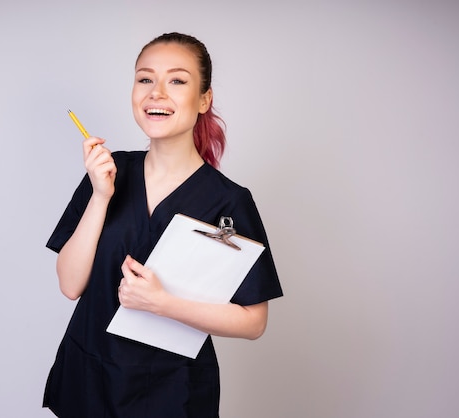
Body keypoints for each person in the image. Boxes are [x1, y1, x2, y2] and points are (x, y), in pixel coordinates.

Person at [43, 32, 283, 418]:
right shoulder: (109, 172)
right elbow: (70, 286)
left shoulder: (228, 201)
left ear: (204, 99)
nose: (156, 92)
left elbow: (253, 322)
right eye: (145, 79)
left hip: (174, 392)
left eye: (177, 80)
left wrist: (162, 304)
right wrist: (102, 195)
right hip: (90, 379)